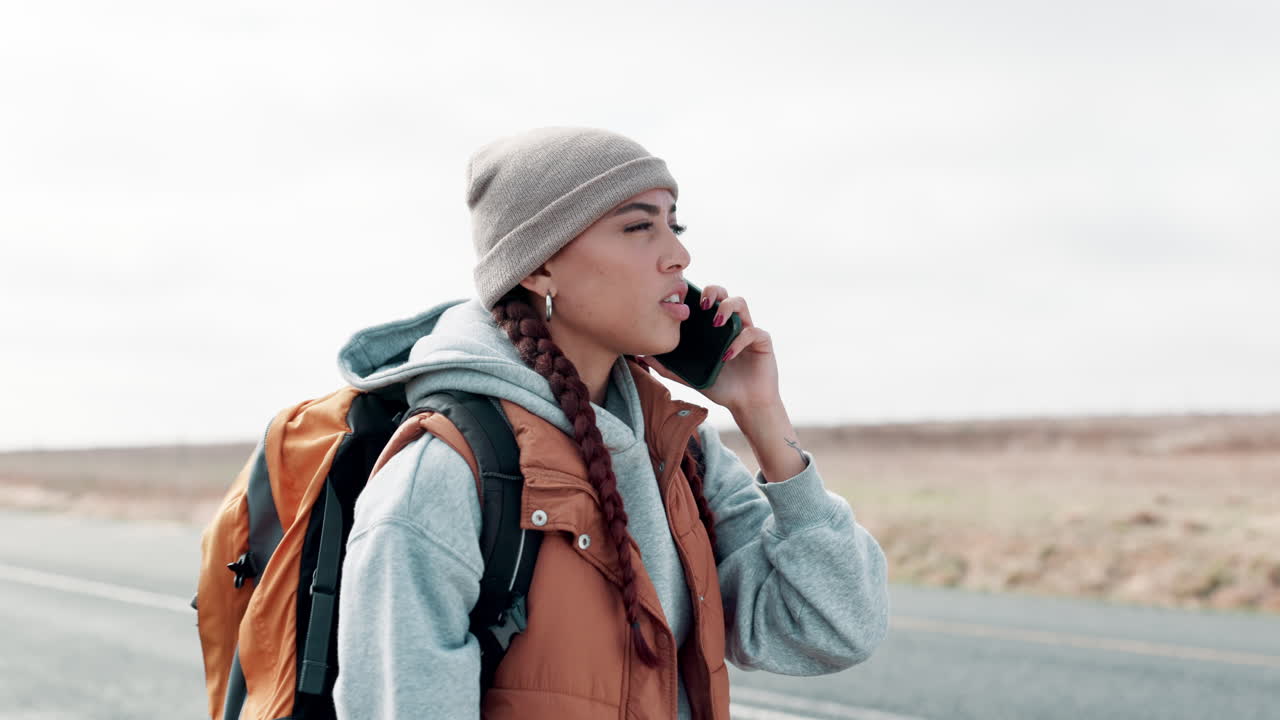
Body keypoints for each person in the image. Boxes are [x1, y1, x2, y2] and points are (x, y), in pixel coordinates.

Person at [333, 126, 890, 719]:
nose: (679, 255)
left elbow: (835, 628)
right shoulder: (446, 470)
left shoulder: (681, 447)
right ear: (539, 268)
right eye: (637, 226)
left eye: (674, 224)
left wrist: (760, 413)